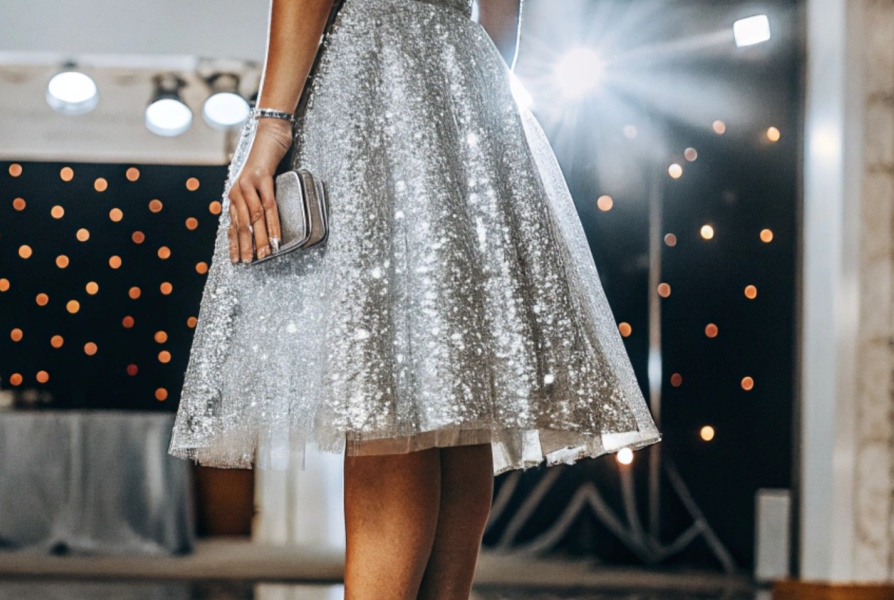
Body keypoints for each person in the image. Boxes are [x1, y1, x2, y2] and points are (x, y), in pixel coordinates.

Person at [170, 0, 661, 598]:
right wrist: (470, 107)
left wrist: (273, 120)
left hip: (373, 73)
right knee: (450, 390)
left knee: (388, 381)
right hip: (466, 78)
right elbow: (503, 13)